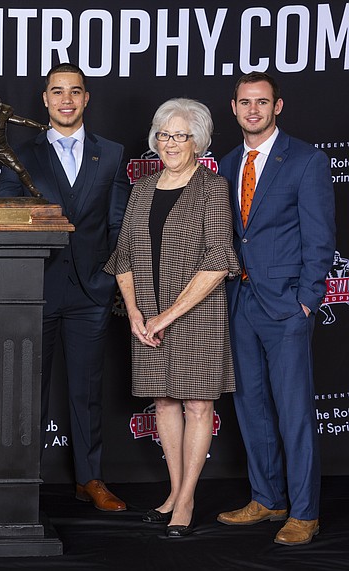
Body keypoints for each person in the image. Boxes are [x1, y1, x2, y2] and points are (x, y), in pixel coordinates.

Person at [0, 63, 130, 511]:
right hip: (35, 291)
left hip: (91, 293)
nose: (66, 100)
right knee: (26, 392)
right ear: (45, 99)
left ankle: (90, 479)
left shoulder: (110, 153)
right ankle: (24, 482)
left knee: (86, 392)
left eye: (75, 91)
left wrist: (109, 279)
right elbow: (6, 221)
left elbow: (118, 224)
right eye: (58, 92)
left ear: (86, 98)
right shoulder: (20, 152)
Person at [104, 98, 240, 537]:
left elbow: (220, 259)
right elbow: (123, 256)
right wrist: (136, 313)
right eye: (164, 135)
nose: (170, 143)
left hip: (195, 316)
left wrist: (167, 315)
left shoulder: (213, 188)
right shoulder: (142, 189)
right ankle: (173, 491)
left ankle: (186, 501)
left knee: (198, 405)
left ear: (197, 141)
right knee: (163, 402)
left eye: (180, 135)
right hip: (147, 319)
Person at [216, 72, 335, 546]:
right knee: (251, 409)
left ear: (277, 107)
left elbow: (320, 237)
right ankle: (268, 498)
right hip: (240, 301)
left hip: (286, 305)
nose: (253, 110)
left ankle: (304, 512)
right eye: (245, 102)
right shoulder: (226, 165)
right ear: (234, 107)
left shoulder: (306, 161)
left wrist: (307, 300)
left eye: (262, 102)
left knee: (294, 413)